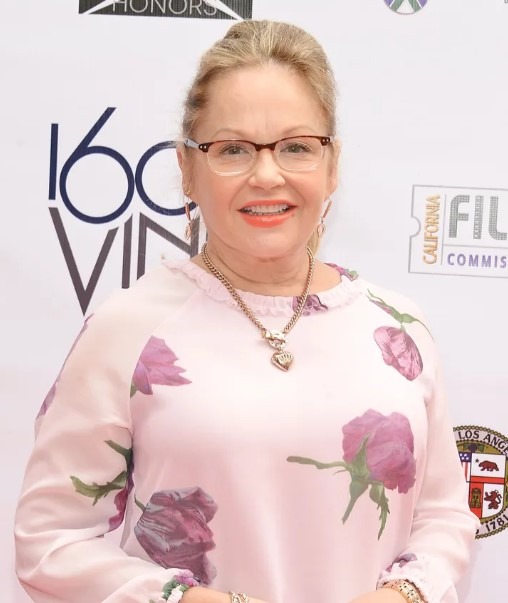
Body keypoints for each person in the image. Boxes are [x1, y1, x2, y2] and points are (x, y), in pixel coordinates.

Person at [15, 19, 478, 603]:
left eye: (296, 147)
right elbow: (50, 542)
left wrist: (404, 594)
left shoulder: (397, 327)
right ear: (187, 169)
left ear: (332, 164)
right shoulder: (126, 330)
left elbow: (444, 516)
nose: (266, 174)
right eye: (232, 149)